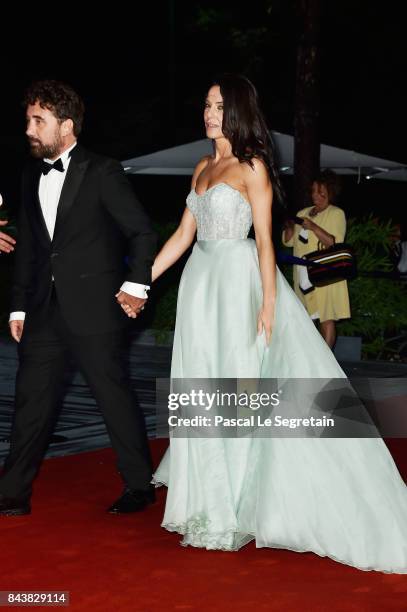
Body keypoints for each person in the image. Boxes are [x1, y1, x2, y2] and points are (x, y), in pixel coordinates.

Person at [122, 74, 407, 573]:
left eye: (218, 106)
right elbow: (183, 236)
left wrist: (270, 302)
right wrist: (139, 283)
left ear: (236, 111)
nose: (209, 113)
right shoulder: (202, 167)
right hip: (199, 288)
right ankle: (206, 508)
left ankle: (234, 510)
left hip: (237, 285)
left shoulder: (252, 167)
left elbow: (267, 241)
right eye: (206, 104)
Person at [0, 80, 157, 517]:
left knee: (113, 397)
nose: (29, 129)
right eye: (28, 119)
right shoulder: (31, 173)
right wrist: (17, 304)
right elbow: (31, 247)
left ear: (65, 126)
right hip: (42, 311)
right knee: (30, 400)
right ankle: (12, 491)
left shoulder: (102, 170)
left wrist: (136, 283)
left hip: (94, 309)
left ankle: (139, 485)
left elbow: (141, 231)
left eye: (39, 121)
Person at [282, 171, 350, 348]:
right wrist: (289, 227)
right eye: (313, 191)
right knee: (304, 317)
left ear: (330, 192)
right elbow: (289, 242)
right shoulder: (303, 212)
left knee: (326, 317)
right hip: (302, 274)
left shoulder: (336, 213)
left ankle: (326, 363)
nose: (315, 196)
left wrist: (313, 227)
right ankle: (310, 359)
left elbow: (333, 242)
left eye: (321, 192)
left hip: (324, 273)